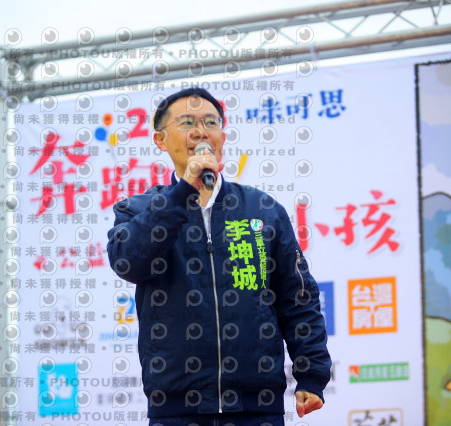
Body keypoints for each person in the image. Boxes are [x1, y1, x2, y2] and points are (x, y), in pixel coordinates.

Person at [107, 88, 331, 426]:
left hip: (258, 408)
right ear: (160, 140)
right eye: (187, 123)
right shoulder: (138, 210)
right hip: (177, 409)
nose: (201, 131)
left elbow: (297, 297)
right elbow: (129, 262)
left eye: (210, 122)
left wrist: (311, 374)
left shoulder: (262, 209)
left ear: (222, 137)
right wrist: (183, 193)